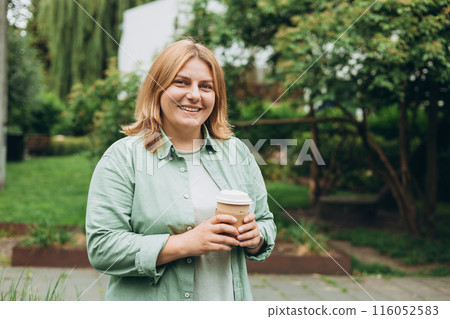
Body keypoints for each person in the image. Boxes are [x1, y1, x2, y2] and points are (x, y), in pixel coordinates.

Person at [86, 39, 276, 301]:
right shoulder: (123, 157)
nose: (195, 95)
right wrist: (184, 244)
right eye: (181, 82)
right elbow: (102, 248)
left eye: (206, 86)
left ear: (216, 96)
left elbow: (265, 222)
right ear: (157, 89)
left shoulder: (237, 153)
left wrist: (256, 238)